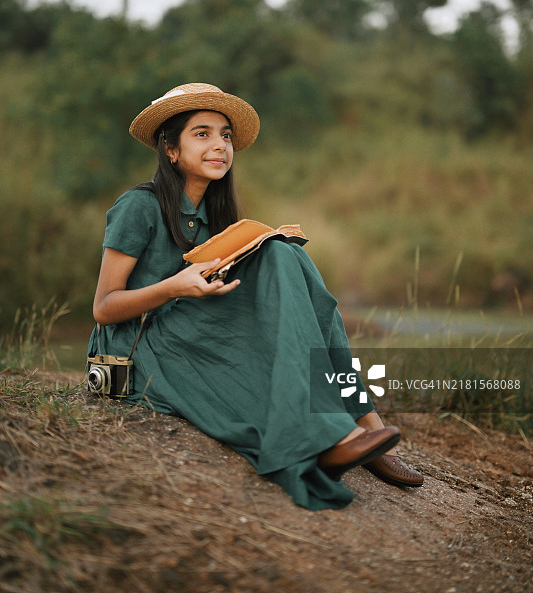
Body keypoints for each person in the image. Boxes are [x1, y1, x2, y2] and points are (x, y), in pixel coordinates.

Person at [88, 83, 423, 510]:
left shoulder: (218, 215)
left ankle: (361, 419)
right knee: (279, 264)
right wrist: (175, 285)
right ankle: (330, 433)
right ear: (170, 150)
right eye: (202, 134)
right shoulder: (139, 207)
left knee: (286, 256)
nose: (219, 146)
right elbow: (103, 308)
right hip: (138, 342)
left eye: (225, 136)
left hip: (189, 322)